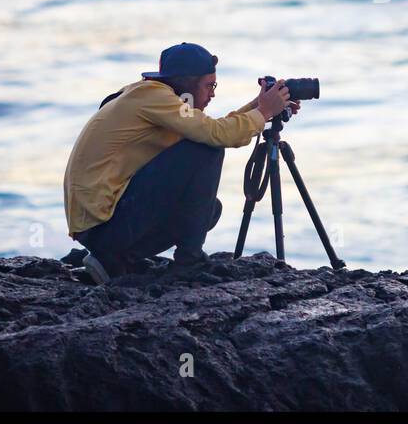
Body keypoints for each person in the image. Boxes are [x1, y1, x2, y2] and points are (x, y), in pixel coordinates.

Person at [62, 42, 296, 282]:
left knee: (208, 210)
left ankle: (114, 261)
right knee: (208, 149)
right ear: (186, 83)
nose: (212, 93)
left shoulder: (151, 96)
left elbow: (211, 128)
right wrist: (263, 113)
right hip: (103, 227)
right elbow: (216, 135)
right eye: (209, 85)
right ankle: (189, 262)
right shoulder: (154, 97)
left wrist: (260, 107)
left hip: (100, 225)